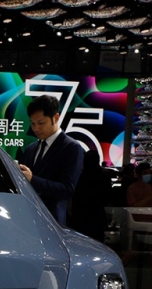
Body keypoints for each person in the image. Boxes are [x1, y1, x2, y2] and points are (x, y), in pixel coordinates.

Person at [18, 94, 84, 226]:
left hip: (52, 222)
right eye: (32, 123)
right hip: (27, 219)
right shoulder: (31, 148)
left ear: (56, 117)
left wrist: (32, 179)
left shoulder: (72, 147)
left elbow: (67, 189)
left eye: (41, 123)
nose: (36, 128)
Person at [70, 151, 111, 241]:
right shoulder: (104, 175)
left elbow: (75, 195)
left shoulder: (79, 175)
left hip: (80, 216)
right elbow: (107, 197)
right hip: (97, 215)